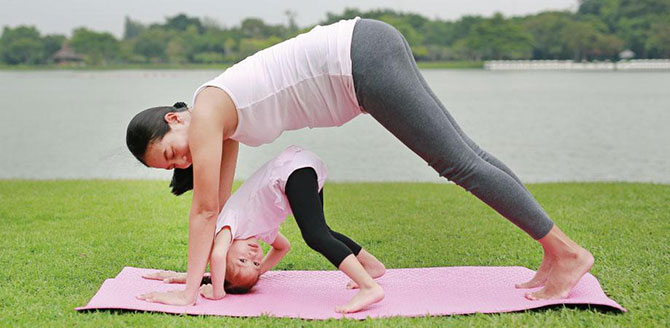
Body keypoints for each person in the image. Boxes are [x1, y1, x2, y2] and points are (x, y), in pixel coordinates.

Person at [126, 17, 593, 312]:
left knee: (460, 164)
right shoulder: (217, 119)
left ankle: (567, 253)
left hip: (359, 62)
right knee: (468, 158)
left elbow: (205, 210)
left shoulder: (206, 111)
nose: (183, 162)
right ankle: (556, 252)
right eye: (171, 167)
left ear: (174, 119)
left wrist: (187, 294)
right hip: (364, 52)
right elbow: (223, 209)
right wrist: (204, 271)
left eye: (172, 152)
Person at [138, 146, 386, 313]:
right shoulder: (257, 232)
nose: (255, 256)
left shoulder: (229, 225)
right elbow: (283, 247)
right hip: (300, 169)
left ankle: (369, 287)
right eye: (254, 263)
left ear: (225, 255)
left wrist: (217, 291)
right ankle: (372, 267)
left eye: (243, 259)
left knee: (315, 236)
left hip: (289, 171)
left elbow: (215, 256)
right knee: (322, 231)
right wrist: (261, 271)